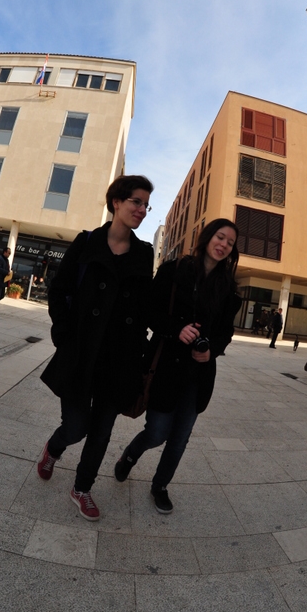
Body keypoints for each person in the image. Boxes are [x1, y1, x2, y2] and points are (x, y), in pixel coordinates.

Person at [38, 174, 154, 521]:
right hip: (81, 352)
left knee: (102, 430)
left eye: (146, 205)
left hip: (119, 358)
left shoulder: (144, 253)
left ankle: (82, 488)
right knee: (76, 426)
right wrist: (63, 334)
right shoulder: (87, 241)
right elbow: (59, 289)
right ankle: (54, 448)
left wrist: (141, 351)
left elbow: (143, 307)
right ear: (116, 202)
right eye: (136, 201)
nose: (142, 209)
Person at [115, 218, 241, 514]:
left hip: (198, 374)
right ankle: (130, 454)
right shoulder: (174, 271)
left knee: (180, 438)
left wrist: (212, 351)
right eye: (220, 237)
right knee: (157, 432)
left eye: (230, 242)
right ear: (207, 237)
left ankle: (160, 486)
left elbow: (226, 332)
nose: (223, 245)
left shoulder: (228, 289)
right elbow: (149, 311)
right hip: (166, 369)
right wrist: (176, 330)